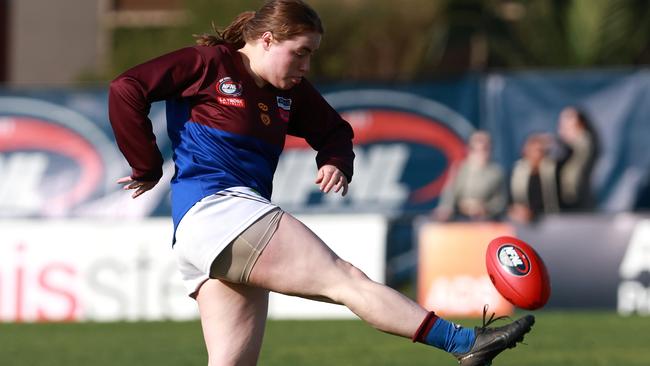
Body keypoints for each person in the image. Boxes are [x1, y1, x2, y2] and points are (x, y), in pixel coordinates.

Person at [108, 1, 534, 365]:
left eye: (311, 54)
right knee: (344, 279)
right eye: (300, 52)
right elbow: (127, 88)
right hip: (218, 211)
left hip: (206, 232)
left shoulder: (288, 91)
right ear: (268, 39)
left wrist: (336, 160)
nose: (306, 65)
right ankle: (465, 343)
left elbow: (335, 131)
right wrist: (146, 165)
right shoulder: (208, 64)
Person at [433, 131, 507, 222]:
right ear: (468, 149)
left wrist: (484, 208)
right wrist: (446, 209)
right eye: (475, 149)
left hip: (486, 221)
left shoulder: (496, 172)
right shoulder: (459, 168)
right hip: (460, 218)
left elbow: (500, 202)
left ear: (490, 149)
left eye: (484, 148)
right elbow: (449, 194)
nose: (480, 152)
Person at [508, 133, 560, 224]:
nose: (537, 154)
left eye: (541, 151)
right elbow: (509, 201)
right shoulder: (516, 172)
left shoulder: (553, 171)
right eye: (533, 150)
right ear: (525, 151)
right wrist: (515, 210)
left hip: (549, 221)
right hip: (521, 223)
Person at [554, 106, 599, 211]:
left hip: (581, 201)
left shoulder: (586, 145)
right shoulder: (561, 149)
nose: (563, 130)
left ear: (581, 125)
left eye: (569, 126)